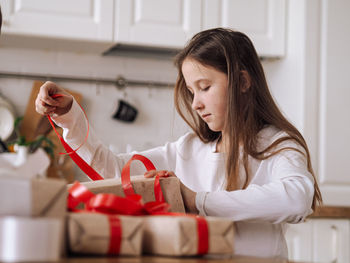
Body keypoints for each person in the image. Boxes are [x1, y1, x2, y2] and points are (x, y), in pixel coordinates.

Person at [35, 28, 322, 259]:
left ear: (243, 81)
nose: (196, 103)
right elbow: (115, 171)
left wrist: (196, 200)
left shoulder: (278, 145)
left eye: (205, 87)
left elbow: (298, 197)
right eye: (190, 91)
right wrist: (70, 117)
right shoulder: (189, 148)